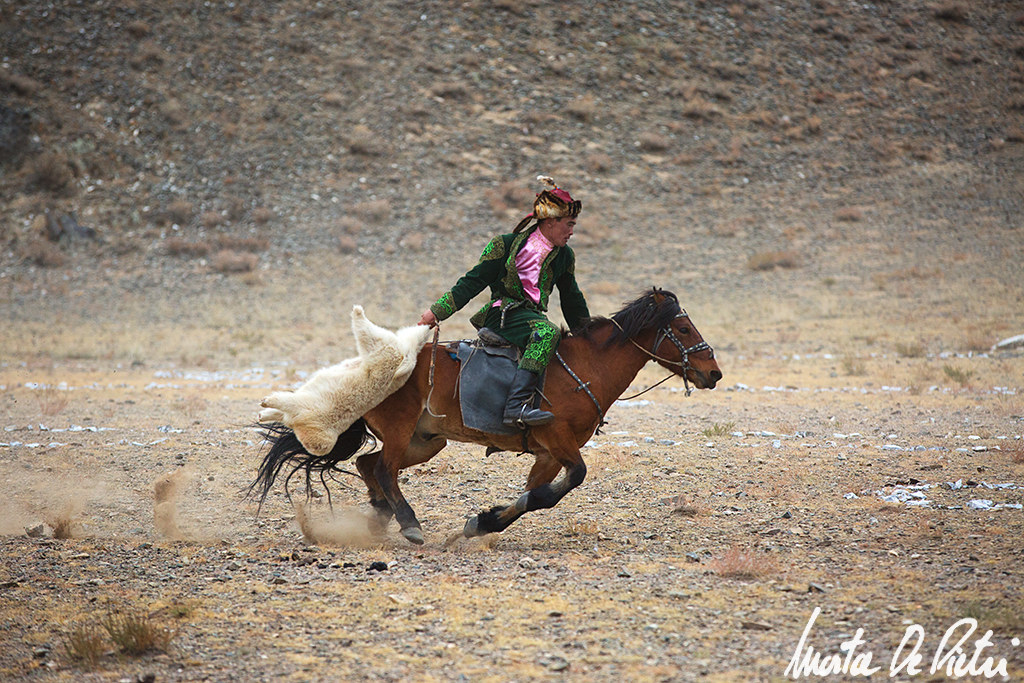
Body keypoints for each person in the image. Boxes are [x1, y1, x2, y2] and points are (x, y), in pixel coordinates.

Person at [419, 175, 590, 429]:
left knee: (554, 338)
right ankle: (516, 407)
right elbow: (471, 282)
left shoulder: (564, 256)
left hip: (531, 319)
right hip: (502, 316)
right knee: (547, 332)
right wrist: (434, 314)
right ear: (551, 221)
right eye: (569, 224)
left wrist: (588, 335)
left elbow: (572, 299)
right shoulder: (504, 245)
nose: (572, 232)